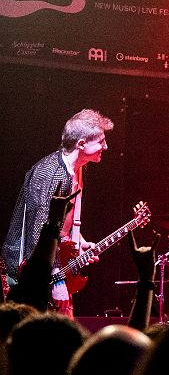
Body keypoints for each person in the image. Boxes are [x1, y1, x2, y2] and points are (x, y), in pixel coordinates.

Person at [1, 109, 113, 317]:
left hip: (50, 267)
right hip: (27, 275)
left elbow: (60, 224)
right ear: (81, 144)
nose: (105, 147)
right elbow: (38, 231)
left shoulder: (77, 169)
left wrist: (79, 241)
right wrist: (57, 278)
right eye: (101, 141)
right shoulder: (52, 174)